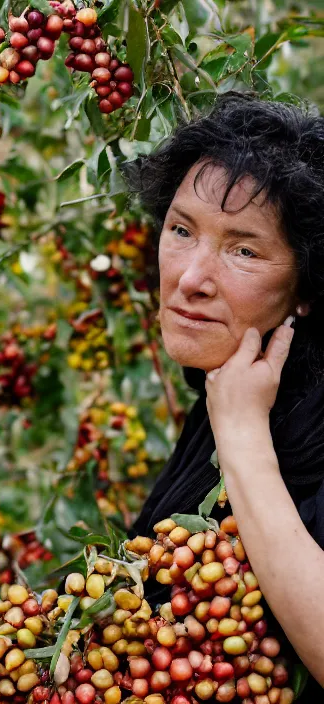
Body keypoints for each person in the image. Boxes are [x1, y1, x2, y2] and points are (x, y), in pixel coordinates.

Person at [120, 91, 324, 697]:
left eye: (243, 250)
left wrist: (243, 434)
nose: (190, 278)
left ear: (307, 287)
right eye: (181, 229)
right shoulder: (235, 380)